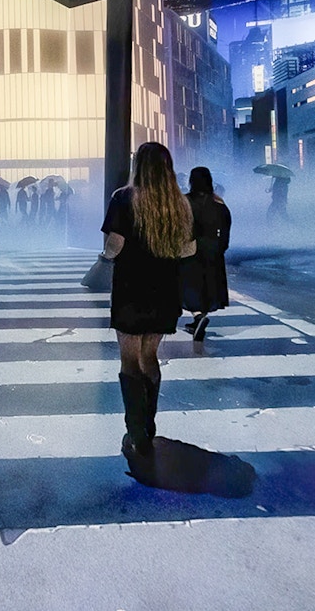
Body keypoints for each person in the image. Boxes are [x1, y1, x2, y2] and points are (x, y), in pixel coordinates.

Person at [101, 141, 195, 465]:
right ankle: (148, 424)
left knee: (128, 361)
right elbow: (188, 249)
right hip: (165, 292)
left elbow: (115, 244)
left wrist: (105, 256)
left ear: (137, 165)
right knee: (150, 357)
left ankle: (135, 431)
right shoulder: (178, 204)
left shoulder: (123, 198)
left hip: (130, 290)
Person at [180, 167, 232, 342]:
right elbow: (226, 227)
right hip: (214, 250)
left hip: (191, 248)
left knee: (188, 285)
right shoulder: (219, 203)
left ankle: (198, 316)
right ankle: (200, 317)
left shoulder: (185, 202)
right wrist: (222, 247)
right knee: (209, 285)